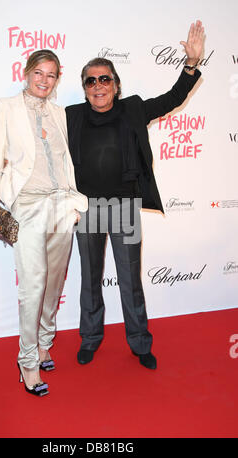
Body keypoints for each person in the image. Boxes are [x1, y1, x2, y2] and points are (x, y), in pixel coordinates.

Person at [66, 21, 205, 369]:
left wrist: (189, 66)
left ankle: (140, 343)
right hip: (86, 210)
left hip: (125, 208)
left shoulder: (133, 109)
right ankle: (91, 338)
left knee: (130, 279)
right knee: (89, 279)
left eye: (104, 79)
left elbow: (173, 99)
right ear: (84, 89)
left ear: (116, 84)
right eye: (91, 80)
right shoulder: (69, 116)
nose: (98, 86)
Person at [0, 50, 88, 396]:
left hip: (61, 204)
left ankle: (44, 342)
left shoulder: (59, 113)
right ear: (26, 73)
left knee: (54, 282)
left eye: (52, 75)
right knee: (33, 285)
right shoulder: (5, 107)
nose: (44, 80)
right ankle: (27, 360)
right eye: (39, 73)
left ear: (58, 79)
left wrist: (72, 205)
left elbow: (64, 160)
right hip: (26, 207)